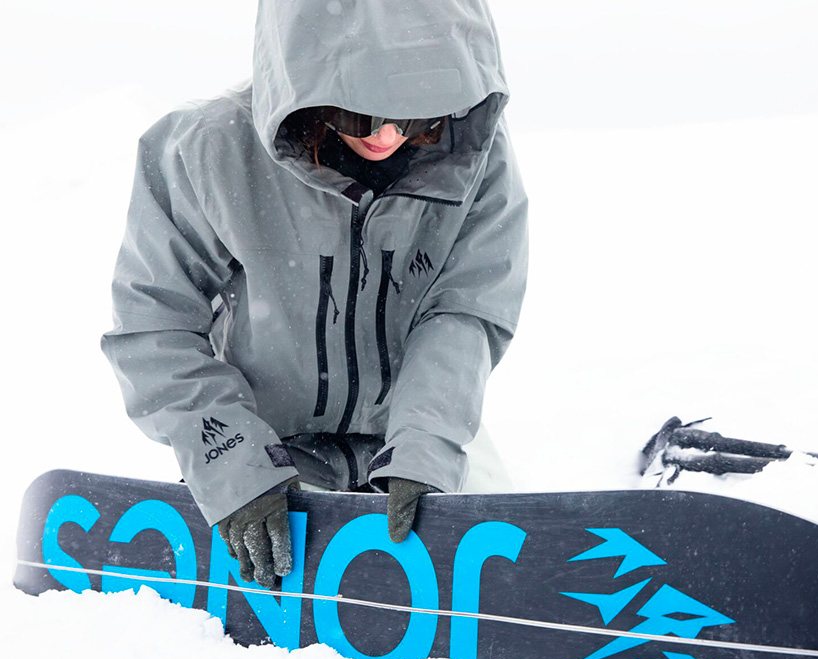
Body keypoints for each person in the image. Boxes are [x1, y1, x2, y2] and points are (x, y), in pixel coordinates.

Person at [100, 0, 528, 590]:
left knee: (506, 576)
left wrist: (425, 451)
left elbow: (462, 312)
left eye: (411, 113)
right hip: (267, 446)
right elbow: (155, 323)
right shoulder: (206, 149)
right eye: (361, 114)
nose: (386, 135)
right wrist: (235, 464)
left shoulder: (472, 151)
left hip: (419, 430)